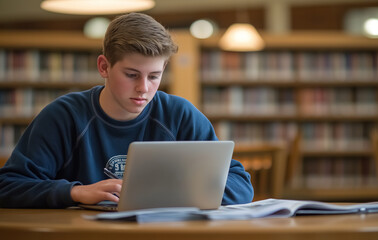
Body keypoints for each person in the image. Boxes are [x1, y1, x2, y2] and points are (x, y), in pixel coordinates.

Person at [0, 13, 253, 208]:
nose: (143, 88)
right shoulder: (63, 116)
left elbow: (240, 184)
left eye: (154, 76)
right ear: (104, 66)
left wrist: (178, 192)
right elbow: (7, 186)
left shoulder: (179, 114)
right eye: (131, 74)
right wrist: (75, 192)